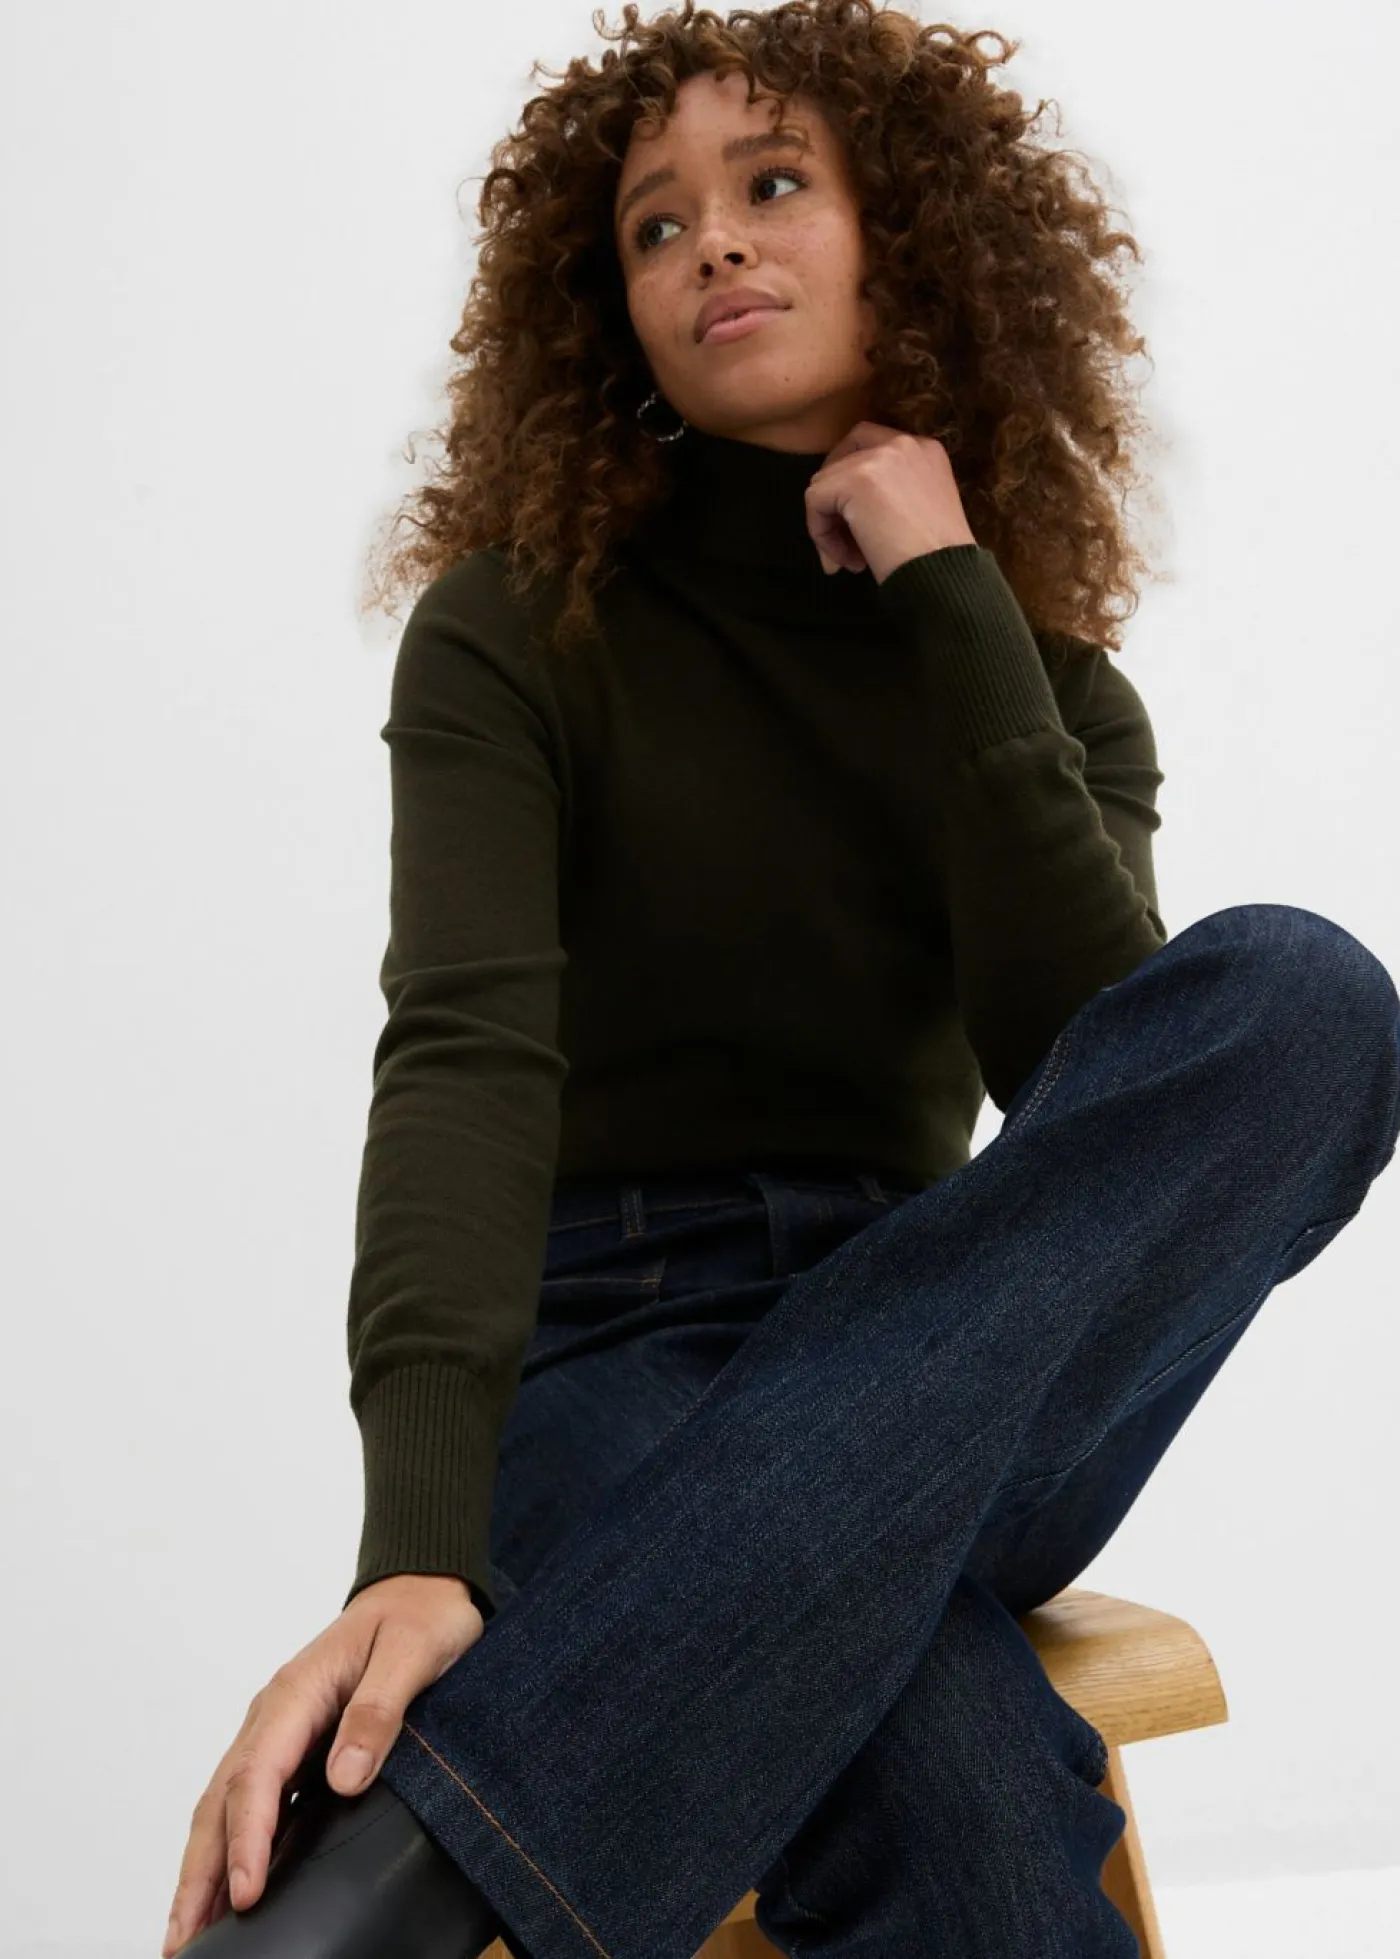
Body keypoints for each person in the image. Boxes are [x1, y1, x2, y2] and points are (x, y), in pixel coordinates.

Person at [161, 4, 1400, 1957]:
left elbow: (1095, 1080)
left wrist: (952, 597)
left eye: (772, 184)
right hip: (606, 1349)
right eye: (655, 225)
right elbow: (463, 1062)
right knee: (965, 1803)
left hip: (947, 1338)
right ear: (614, 315)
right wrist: (415, 1543)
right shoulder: (515, 631)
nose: (713, 241)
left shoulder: (1053, 691)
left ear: (910, 234)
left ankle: (427, 1868)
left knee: (1304, 1000)